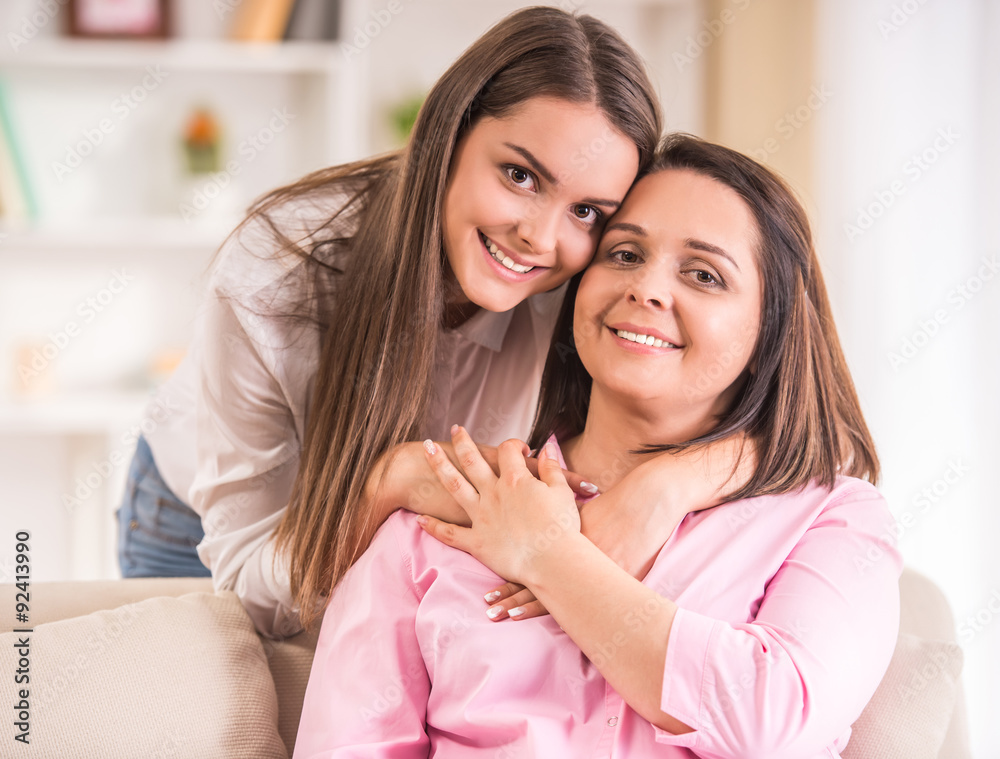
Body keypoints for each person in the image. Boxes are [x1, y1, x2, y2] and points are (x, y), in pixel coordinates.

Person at [293, 134, 902, 757]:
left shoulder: (830, 520)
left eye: (703, 274)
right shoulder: (442, 516)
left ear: (770, 328)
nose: (648, 290)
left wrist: (550, 556)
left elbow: (773, 720)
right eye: (625, 254)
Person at [116, 7, 663, 638]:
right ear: (449, 134)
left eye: (588, 211)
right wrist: (393, 480)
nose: (540, 238)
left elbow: (770, 411)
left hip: (384, 536)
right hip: (202, 527)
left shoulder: (587, 289)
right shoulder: (273, 273)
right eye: (519, 175)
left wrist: (668, 486)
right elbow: (255, 594)